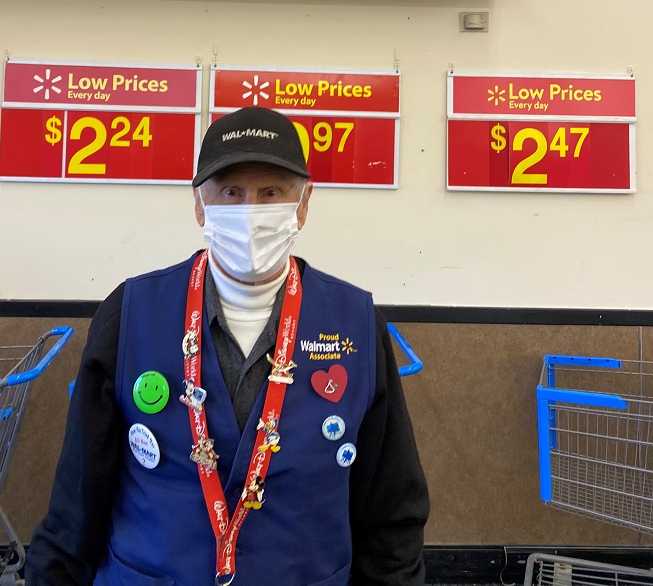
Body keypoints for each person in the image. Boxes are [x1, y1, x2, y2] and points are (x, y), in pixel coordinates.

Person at [26, 107, 429, 586]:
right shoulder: (130, 314)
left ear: (303, 203)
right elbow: (78, 499)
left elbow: (390, 514)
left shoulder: (357, 326)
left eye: (271, 193)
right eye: (231, 193)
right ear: (200, 204)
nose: (250, 213)